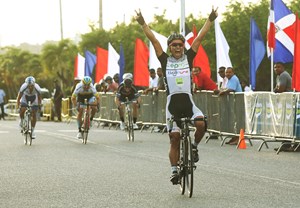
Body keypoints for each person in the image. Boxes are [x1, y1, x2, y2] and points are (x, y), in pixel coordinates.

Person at [135, 7, 217, 184]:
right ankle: (174, 170)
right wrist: (142, 23)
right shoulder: (164, 60)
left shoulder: (189, 57)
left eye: (180, 44)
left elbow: (200, 37)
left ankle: (194, 147)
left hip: (188, 103)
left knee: (201, 123)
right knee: (175, 138)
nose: (178, 47)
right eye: (174, 45)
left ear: (183, 46)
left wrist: (210, 19)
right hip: (172, 106)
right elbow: (154, 40)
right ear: (170, 47)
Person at [217, 67, 242, 145]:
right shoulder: (229, 79)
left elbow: (231, 89)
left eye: (229, 72)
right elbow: (226, 88)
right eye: (226, 72)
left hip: (237, 101)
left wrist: (222, 92)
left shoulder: (234, 79)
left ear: (233, 72)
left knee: (236, 120)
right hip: (233, 102)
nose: (227, 74)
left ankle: (238, 138)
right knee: (233, 120)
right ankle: (234, 137)